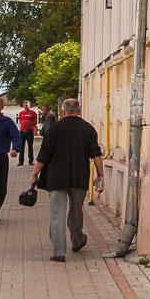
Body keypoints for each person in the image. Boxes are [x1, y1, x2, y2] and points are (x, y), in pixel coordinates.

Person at [29, 98, 104, 262]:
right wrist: (100, 175)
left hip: (56, 178)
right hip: (79, 176)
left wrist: (35, 174)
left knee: (57, 213)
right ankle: (77, 240)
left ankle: (59, 252)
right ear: (79, 110)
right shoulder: (88, 129)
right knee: (76, 210)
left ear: (63, 111)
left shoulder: (54, 129)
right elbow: (96, 154)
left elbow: (44, 155)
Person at [16, 100, 38, 165]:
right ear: (23, 106)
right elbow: (20, 121)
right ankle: (20, 161)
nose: (26, 106)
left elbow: (35, 122)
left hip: (29, 132)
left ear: (29, 106)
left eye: (27, 105)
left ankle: (31, 161)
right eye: (25, 105)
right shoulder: (21, 113)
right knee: (21, 147)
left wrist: (30, 126)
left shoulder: (33, 113)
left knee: (30, 147)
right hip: (22, 132)